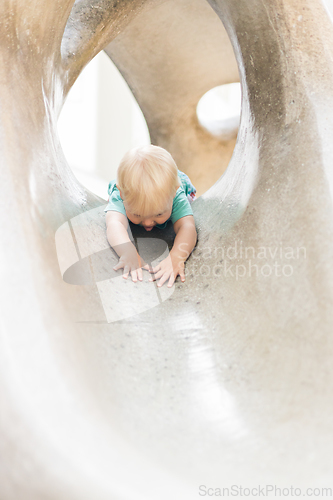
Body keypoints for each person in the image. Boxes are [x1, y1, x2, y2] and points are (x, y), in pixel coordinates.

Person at [105, 144, 197, 288]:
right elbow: (114, 224)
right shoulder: (123, 193)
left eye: (159, 213)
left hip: (178, 185)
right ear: (122, 195)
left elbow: (187, 226)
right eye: (137, 214)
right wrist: (127, 251)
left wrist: (176, 257)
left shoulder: (175, 194)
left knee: (189, 206)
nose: (148, 223)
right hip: (132, 190)